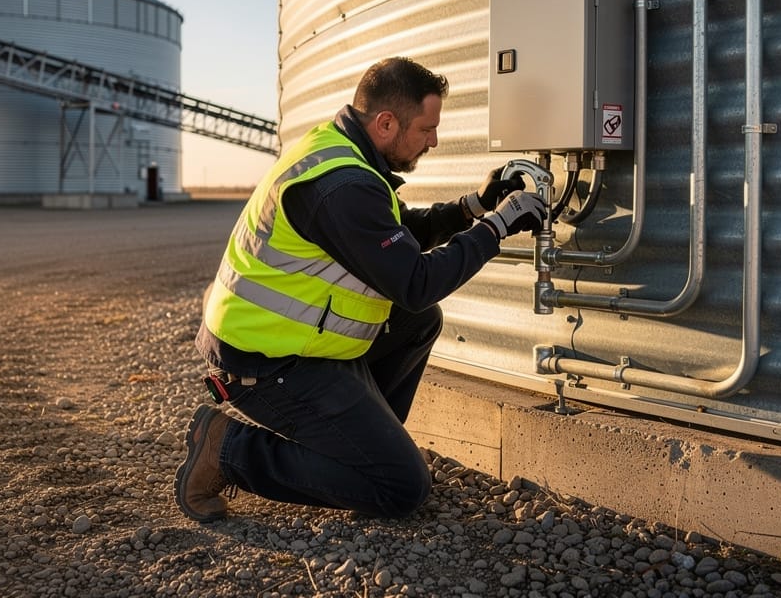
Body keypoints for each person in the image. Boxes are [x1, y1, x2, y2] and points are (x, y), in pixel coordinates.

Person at [175, 56, 548, 522]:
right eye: (426, 129)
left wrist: (473, 206)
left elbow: (393, 234)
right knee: (402, 488)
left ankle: (363, 446)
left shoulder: (342, 153)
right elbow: (415, 281)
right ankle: (227, 449)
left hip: (292, 345)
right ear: (386, 123)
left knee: (418, 322)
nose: (434, 140)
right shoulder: (342, 185)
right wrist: (497, 227)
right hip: (260, 361)